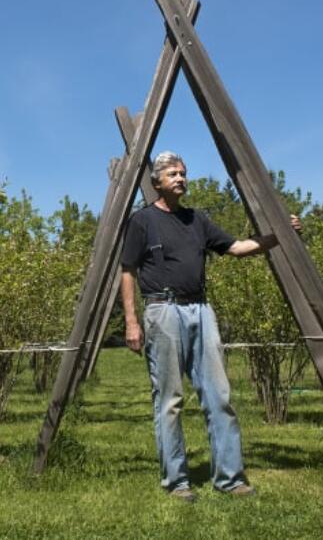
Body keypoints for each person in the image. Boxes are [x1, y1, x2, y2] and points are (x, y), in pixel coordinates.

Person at [120, 150, 299, 502]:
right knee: (170, 400)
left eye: (183, 173)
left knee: (219, 396)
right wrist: (131, 321)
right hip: (163, 310)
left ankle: (230, 479)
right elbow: (128, 271)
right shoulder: (142, 221)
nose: (180, 178)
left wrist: (276, 236)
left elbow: (237, 247)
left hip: (201, 311)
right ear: (157, 182)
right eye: (172, 173)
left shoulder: (197, 220)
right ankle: (177, 481)